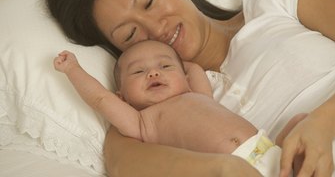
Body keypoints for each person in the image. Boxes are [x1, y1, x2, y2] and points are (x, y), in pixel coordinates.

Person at [45, 0, 335, 176]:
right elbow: (121, 163)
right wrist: (221, 168)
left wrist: (323, 123)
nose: (156, 28)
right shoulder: (155, 107)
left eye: (150, 1)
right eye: (130, 34)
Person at [54, 40, 306, 176]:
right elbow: (100, 99)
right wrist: (73, 69)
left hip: (270, 153)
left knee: (301, 123)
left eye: (165, 66)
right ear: (123, 97)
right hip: (229, 171)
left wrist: (174, 57)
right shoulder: (141, 121)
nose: (153, 72)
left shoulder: (198, 94)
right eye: (139, 71)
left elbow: (193, 69)